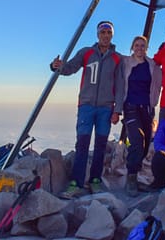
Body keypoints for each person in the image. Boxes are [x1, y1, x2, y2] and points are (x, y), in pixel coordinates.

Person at [50, 20, 121, 199]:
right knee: (82, 144)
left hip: (106, 108)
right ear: (98, 35)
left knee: (100, 146)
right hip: (86, 106)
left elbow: (121, 86)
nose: (105, 36)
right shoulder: (86, 52)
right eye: (103, 32)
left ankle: (95, 181)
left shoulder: (117, 58)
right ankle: (76, 183)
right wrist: (56, 67)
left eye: (108, 33)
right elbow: (70, 68)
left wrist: (117, 110)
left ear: (112, 35)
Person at [115, 35, 162, 197]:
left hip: (147, 108)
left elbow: (158, 84)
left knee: (146, 141)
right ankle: (131, 178)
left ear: (147, 48)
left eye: (143, 46)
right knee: (137, 140)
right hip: (131, 106)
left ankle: (135, 174)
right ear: (132, 47)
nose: (139, 48)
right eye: (136, 45)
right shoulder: (125, 62)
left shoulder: (153, 65)